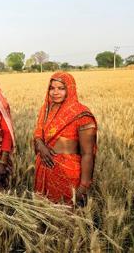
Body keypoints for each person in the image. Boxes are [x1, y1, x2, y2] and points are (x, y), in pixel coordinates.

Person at [33, 72, 97, 205]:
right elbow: (38, 133)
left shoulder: (81, 114)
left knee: (66, 219)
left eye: (61, 88)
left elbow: (87, 153)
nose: (55, 92)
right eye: (52, 88)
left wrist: (84, 186)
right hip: (44, 171)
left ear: (70, 89)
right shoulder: (45, 109)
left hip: (67, 175)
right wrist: (41, 146)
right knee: (43, 214)